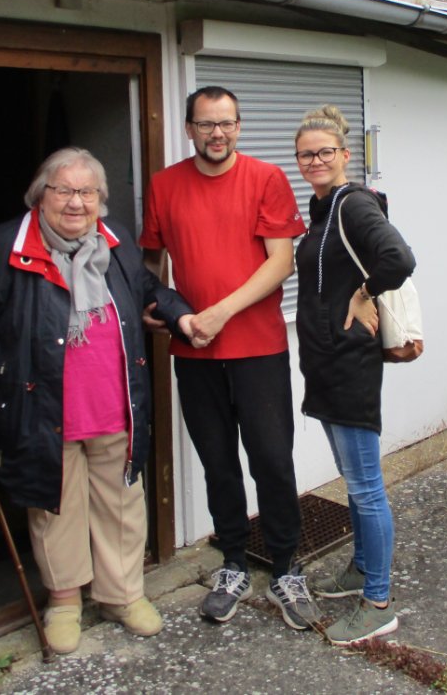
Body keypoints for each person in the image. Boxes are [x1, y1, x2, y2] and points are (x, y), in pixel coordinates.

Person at [0, 147, 197, 655]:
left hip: (114, 403)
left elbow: (145, 286)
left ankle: (123, 595)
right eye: (64, 191)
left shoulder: (114, 241)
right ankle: (64, 602)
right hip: (41, 409)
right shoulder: (4, 248)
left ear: (100, 198)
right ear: (41, 196)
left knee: (121, 504)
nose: (76, 203)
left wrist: (177, 312)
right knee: (55, 507)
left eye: (87, 192)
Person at [139, 85, 321, 630]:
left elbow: (281, 262)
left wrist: (218, 313)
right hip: (193, 350)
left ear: (238, 127)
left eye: (226, 123)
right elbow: (151, 265)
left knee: (271, 460)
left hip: (258, 347)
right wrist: (159, 308)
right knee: (217, 462)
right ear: (189, 129)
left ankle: (286, 568)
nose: (216, 133)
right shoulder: (164, 185)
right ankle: (234, 564)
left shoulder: (266, 178)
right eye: (205, 124)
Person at [292, 104, 416, 645]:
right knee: (354, 481)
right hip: (325, 363)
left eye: (325, 152)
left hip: (349, 366)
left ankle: (379, 602)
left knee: (366, 488)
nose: (315, 161)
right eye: (305, 155)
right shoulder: (322, 210)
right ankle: (362, 569)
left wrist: (364, 293)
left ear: (344, 154)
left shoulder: (353, 204)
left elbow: (398, 258)